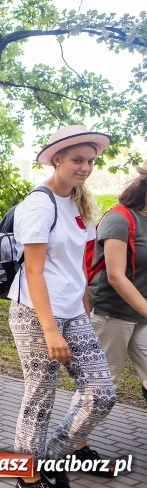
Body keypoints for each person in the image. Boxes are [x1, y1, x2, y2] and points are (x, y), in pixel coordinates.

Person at [9, 126, 116, 488]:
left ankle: (51, 457)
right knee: (40, 395)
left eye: (90, 161)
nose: (85, 167)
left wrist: (83, 309)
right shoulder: (39, 204)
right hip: (36, 313)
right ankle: (28, 477)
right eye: (77, 160)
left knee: (101, 394)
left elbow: (77, 265)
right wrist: (51, 329)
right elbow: (34, 271)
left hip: (73, 311)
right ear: (57, 159)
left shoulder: (78, 201)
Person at [89, 160, 147, 404]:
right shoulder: (119, 218)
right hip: (112, 314)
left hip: (141, 316)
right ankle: (75, 430)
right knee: (101, 389)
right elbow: (115, 276)